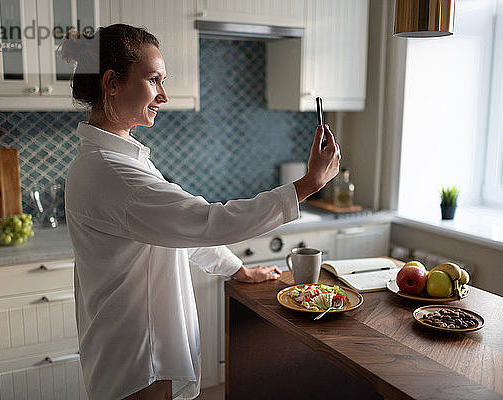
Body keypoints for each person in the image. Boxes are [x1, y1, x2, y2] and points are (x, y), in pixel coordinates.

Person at [60, 24, 340, 400]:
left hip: (134, 348)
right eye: (154, 79)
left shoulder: (117, 160)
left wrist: (238, 270)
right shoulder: (112, 172)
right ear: (112, 83)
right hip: (140, 355)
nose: (163, 94)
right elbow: (205, 222)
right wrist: (308, 185)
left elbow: (180, 233)